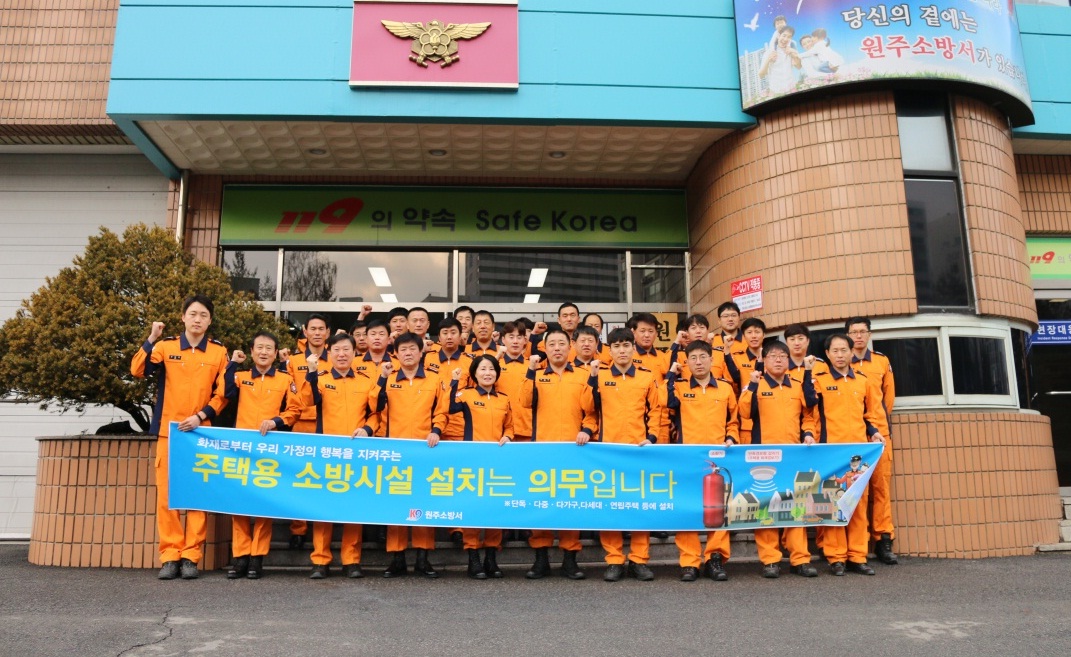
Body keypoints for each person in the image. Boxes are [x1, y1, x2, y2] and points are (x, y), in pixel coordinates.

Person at [130, 294, 229, 580]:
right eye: (193, 314)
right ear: (183, 317)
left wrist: (201, 415)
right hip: (169, 432)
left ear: (210, 321)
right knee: (167, 496)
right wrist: (151, 338)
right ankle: (170, 555)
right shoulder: (166, 346)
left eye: (203, 315)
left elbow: (223, 393)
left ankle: (190, 556)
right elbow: (138, 370)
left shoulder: (218, 352)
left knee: (197, 495)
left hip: (200, 432)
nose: (197, 319)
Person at [222, 331, 302, 579]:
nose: (264, 352)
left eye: (269, 348)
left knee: (264, 504)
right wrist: (232, 364)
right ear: (251, 351)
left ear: (276, 353)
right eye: (259, 347)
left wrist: (276, 421)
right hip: (240, 449)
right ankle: (240, 557)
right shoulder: (241, 377)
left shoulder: (286, 379)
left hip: (270, 449)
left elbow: (295, 410)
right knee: (239, 504)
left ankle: (257, 558)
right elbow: (224, 394)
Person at [520, 328, 598, 580]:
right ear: (544, 348)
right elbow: (524, 401)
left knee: (571, 504)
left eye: (561, 343)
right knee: (541, 504)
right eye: (551, 344)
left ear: (570, 347)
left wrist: (587, 429)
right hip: (542, 450)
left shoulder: (583, 375)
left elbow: (591, 411)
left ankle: (570, 559)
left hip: (575, 451)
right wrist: (530, 371)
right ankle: (541, 559)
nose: (556, 348)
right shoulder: (535, 375)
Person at [301, 333, 380, 579]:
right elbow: (307, 400)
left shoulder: (366, 381)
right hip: (328, 454)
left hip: (357, 454)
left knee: (353, 507)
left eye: (347, 349)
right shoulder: (322, 379)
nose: (342, 354)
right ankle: (320, 560)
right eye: (337, 350)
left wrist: (367, 429)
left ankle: (351, 560)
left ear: (355, 352)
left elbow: (376, 413)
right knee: (323, 507)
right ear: (329, 353)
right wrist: (311, 373)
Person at [738, 341, 820, 578]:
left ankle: (800, 558)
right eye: (773, 356)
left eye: (783, 356)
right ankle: (770, 559)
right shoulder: (756, 383)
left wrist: (808, 433)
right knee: (765, 506)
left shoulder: (797, 385)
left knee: (796, 506)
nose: (778, 360)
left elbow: (808, 416)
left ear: (788, 360)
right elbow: (744, 413)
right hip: (764, 457)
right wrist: (753, 386)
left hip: (793, 456)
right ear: (764, 360)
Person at [374, 332, 451, 578]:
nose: (408, 353)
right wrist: (381, 379)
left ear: (421, 352)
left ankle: (422, 557)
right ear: (395, 353)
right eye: (403, 349)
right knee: (396, 503)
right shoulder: (387, 378)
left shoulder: (434, 379)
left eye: (412, 349)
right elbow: (374, 407)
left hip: (424, 451)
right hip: (394, 451)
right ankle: (397, 558)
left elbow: (442, 411)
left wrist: (436, 430)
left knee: (423, 502)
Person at [589, 328, 662, 582]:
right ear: (609, 351)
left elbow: (656, 410)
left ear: (633, 348)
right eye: (617, 346)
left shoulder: (646, 376)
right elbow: (588, 409)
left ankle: (639, 559)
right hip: (608, 452)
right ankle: (614, 559)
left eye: (626, 345)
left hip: (639, 452)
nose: (622, 350)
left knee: (640, 505)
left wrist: (652, 437)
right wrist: (592, 380)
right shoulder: (599, 376)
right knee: (611, 506)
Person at [813, 333, 888, 576]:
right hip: (832, 451)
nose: (840, 355)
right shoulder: (819, 380)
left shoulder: (863, 381)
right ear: (827, 354)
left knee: (857, 503)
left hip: (859, 452)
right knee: (833, 503)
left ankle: (857, 555)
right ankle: (836, 557)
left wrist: (874, 432)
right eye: (835, 351)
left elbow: (870, 415)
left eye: (844, 350)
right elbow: (812, 415)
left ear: (851, 352)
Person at [666, 340, 738, 582]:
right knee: (687, 508)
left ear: (711, 359)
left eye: (702, 357)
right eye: (693, 358)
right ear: (686, 362)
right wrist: (670, 377)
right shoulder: (678, 387)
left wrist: (731, 436)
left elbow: (734, 420)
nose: (698, 362)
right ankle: (689, 562)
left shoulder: (725, 388)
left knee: (718, 510)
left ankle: (715, 558)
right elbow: (665, 407)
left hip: (718, 461)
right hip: (687, 459)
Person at [442, 354, 513, 579]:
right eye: (482, 369)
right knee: (473, 508)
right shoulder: (467, 395)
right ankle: (473, 558)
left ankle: (491, 558)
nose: (487, 373)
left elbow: (509, 426)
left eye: (491, 369)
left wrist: (508, 436)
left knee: (495, 509)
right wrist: (455, 382)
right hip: (472, 461)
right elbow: (449, 407)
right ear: (474, 373)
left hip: (497, 462)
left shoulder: (504, 399)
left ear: (497, 373)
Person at [845, 316, 898, 565]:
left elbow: (888, 398)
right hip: (852, 434)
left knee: (881, 488)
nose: (858, 336)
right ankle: (856, 542)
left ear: (869, 334)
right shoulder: (841, 362)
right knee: (855, 491)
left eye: (862, 331)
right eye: (853, 332)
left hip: (879, 435)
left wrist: (877, 423)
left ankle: (883, 539)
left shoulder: (881, 361)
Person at [278, 313, 332, 549]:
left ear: (328, 333)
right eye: (313, 329)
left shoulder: (337, 358)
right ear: (305, 332)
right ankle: (298, 528)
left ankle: (322, 526)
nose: (317, 333)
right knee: (300, 476)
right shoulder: (293, 361)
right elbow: (288, 391)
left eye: (321, 329)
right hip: (300, 424)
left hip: (329, 425)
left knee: (325, 477)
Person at [496, 321, 534, 441]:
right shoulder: (494, 366)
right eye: (511, 337)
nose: (515, 341)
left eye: (519, 337)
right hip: (500, 429)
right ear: (503, 339)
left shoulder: (533, 366)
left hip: (527, 428)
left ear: (525, 340)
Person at [759, 26, 802, 95]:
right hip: (775, 92)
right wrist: (768, 60)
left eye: (789, 37)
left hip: (791, 89)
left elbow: (799, 67)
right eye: (784, 35)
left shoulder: (791, 50)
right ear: (779, 36)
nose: (785, 39)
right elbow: (761, 75)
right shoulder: (769, 52)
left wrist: (794, 55)